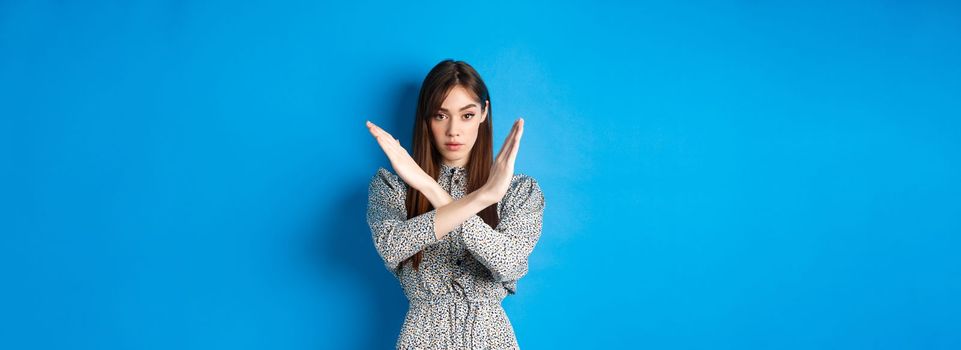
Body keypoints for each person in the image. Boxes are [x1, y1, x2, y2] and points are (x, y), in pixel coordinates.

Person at [365, 59, 545, 349]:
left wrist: (433, 189)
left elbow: (511, 264)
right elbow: (391, 246)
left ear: (484, 113)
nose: (453, 131)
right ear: (426, 118)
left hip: (491, 339)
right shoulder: (393, 186)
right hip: (421, 339)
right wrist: (472, 195)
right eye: (440, 115)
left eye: (467, 115)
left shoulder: (518, 190)